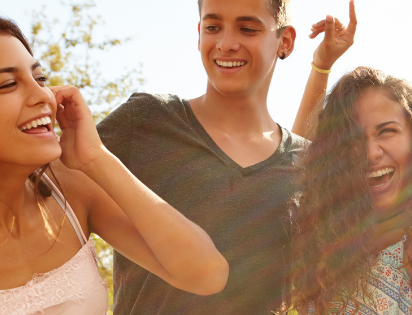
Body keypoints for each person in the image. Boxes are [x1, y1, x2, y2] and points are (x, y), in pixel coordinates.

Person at [95, 0, 357, 313]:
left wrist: (322, 66)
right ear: (198, 34)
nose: (226, 44)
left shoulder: (302, 161)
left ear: (285, 41)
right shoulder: (146, 121)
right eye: (213, 27)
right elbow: (47, 194)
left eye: (247, 29)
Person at [0, 17, 228, 315]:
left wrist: (97, 158)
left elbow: (207, 275)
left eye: (40, 78)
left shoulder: (69, 186)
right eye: (7, 84)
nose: (42, 95)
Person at [282, 66, 412, 315]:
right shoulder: (322, 241)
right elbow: (297, 155)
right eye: (352, 140)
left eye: (387, 131)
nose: (371, 153)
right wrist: (320, 65)